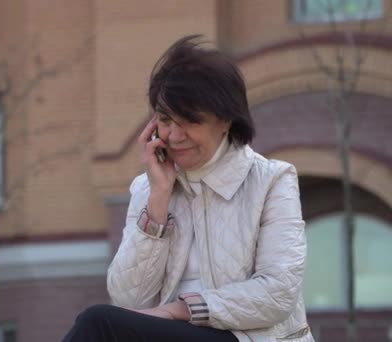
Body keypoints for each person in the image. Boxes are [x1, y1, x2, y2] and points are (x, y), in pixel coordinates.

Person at [62, 35, 314, 342]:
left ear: (226, 121)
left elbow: (277, 292)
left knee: (97, 322)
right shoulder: (148, 188)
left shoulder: (272, 180)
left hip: (248, 338)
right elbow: (128, 298)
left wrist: (179, 310)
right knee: (100, 323)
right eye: (166, 120)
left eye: (190, 122)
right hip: (171, 335)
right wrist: (158, 199)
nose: (174, 135)